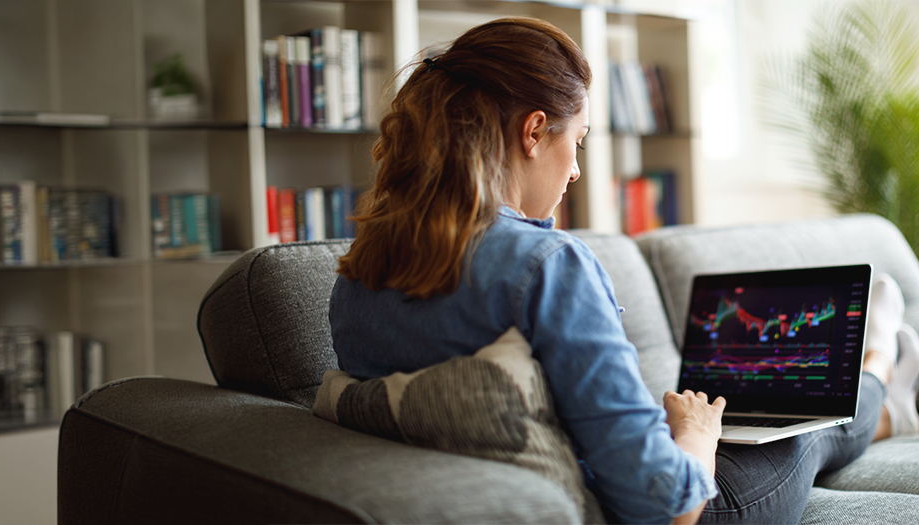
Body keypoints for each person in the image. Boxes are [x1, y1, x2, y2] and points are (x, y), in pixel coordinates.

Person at [328, 17, 919, 525]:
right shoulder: (547, 266)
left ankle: (885, 400)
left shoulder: (358, 275)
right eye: (578, 142)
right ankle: (879, 364)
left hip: (548, 480)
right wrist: (695, 432)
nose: (575, 170)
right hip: (675, 509)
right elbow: (668, 505)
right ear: (533, 131)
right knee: (805, 427)